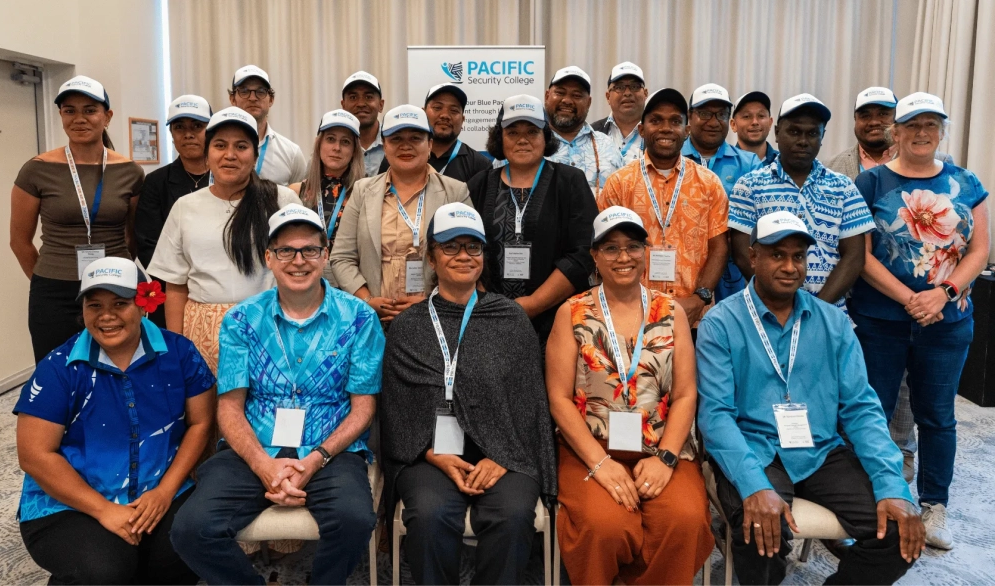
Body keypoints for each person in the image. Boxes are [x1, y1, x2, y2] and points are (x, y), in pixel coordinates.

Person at [696, 212, 925, 586]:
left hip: (821, 450)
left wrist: (893, 487)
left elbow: (862, 410)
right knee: (760, 534)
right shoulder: (721, 323)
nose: (790, 267)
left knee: (900, 532)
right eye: (777, 255)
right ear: (753, 258)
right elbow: (717, 417)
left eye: (798, 256)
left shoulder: (833, 323)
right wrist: (754, 485)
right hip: (755, 450)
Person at [170, 205, 384, 585]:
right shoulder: (241, 320)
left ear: (326, 254)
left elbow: (363, 407)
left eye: (309, 250)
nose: (298, 261)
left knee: (355, 520)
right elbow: (230, 407)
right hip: (256, 446)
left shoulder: (360, 318)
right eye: (286, 250)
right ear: (269, 257)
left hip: (330, 451)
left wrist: (316, 459)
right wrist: (263, 465)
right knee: (190, 529)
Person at [380, 204, 556, 585]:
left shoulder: (511, 319)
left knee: (511, 516)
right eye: (450, 247)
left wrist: (503, 457)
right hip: (428, 451)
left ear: (484, 255)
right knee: (428, 515)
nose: (463, 256)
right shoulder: (408, 327)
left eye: (472, 247)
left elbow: (531, 406)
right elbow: (395, 408)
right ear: (431, 257)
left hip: (504, 452)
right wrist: (433, 454)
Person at [15, 256, 215, 585]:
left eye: (120, 303)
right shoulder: (59, 367)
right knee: (106, 569)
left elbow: (200, 423)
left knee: (188, 544)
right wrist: (103, 510)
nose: (106, 316)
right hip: (71, 503)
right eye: (94, 305)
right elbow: (34, 454)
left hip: (159, 490)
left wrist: (165, 492)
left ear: (143, 304)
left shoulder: (180, 353)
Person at [849, 92, 990, 550]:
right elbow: (860, 254)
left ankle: (934, 505)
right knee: (874, 412)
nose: (922, 133)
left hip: (946, 322)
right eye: (913, 125)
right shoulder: (870, 183)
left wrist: (944, 294)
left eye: (931, 124)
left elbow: (979, 249)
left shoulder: (965, 182)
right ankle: (873, 498)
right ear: (897, 131)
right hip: (881, 318)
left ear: (941, 130)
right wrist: (911, 297)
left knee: (937, 416)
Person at [546, 207, 713, 585]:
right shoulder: (571, 313)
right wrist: (600, 464)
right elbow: (557, 398)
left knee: (682, 521)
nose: (624, 257)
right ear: (594, 255)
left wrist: (667, 459)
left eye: (633, 246)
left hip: (661, 445)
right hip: (591, 445)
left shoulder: (672, 312)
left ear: (645, 251)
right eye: (611, 248)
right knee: (603, 525)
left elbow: (686, 393)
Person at [828, 87, 950, 482]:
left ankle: (902, 452)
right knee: (867, 390)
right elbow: (854, 250)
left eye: (883, 114)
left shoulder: (949, 172)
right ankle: (862, 470)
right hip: (866, 300)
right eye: (866, 114)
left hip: (933, 306)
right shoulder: (839, 168)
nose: (874, 122)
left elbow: (966, 243)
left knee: (916, 398)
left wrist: (943, 292)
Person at [147, 107, 302, 372]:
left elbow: (301, 269)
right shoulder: (185, 207)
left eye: (241, 146)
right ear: (207, 155)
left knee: (266, 409)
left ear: (254, 156)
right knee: (204, 413)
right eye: (220, 145)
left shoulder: (281, 200)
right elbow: (175, 286)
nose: (230, 155)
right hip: (203, 333)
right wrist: (176, 349)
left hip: (270, 326)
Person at [11, 76, 144, 363]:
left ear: (107, 116)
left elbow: (132, 237)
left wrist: (115, 267)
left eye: (89, 110)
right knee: (56, 369)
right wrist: (48, 278)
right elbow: (19, 241)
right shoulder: (36, 170)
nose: (79, 118)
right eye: (69, 110)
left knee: (117, 365)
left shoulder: (130, 171)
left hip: (115, 287)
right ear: (61, 115)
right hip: (55, 291)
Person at [468, 95, 597, 343]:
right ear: (500, 138)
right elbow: (468, 249)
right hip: (487, 320)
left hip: (557, 321)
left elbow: (583, 253)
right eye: (513, 132)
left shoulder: (570, 181)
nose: (523, 139)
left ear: (545, 137)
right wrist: (488, 304)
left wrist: (533, 304)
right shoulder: (479, 184)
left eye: (532, 131)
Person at [729, 94, 874, 313]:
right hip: (765, 313)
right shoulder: (749, 186)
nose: (803, 141)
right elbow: (742, 254)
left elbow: (854, 256)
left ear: (822, 136)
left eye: (813, 133)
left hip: (829, 316)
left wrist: (816, 310)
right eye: (794, 131)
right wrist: (779, 302)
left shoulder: (843, 187)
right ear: (777, 133)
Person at [598, 88, 729, 327]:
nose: (666, 128)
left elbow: (719, 246)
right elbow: (605, 250)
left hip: (694, 316)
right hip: (633, 315)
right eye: (656, 120)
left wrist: (700, 298)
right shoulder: (619, 184)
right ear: (641, 130)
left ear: (687, 131)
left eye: (675, 121)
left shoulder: (709, 184)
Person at [330, 105, 471, 325]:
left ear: (430, 144)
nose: (406, 146)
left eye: (415, 138)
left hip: (435, 319)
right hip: (373, 320)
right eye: (396, 139)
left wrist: (431, 301)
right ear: (384, 146)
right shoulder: (362, 191)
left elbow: (466, 260)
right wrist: (367, 300)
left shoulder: (455, 192)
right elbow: (342, 257)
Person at [135, 95, 212, 328]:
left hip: (218, 291)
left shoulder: (230, 178)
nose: (188, 134)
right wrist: (184, 279)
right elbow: (148, 244)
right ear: (171, 134)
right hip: (170, 291)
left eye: (197, 127)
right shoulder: (155, 182)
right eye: (179, 128)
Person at [683, 83, 762, 303]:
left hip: (733, 276)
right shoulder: (672, 158)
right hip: (682, 274)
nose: (713, 121)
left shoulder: (749, 164)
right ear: (690, 117)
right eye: (705, 113)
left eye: (721, 114)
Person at [290, 109, 366, 288]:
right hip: (304, 283)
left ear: (355, 150)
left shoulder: (365, 194)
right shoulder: (295, 193)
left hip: (352, 288)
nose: (337, 148)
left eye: (345, 142)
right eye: (330, 139)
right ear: (319, 144)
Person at [378, 83, 491, 182]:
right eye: (437, 107)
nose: (445, 115)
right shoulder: (401, 156)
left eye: (454, 110)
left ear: (462, 120)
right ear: (423, 113)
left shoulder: (480, 165)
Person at [543, 66, 624, 196]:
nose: (567, 100)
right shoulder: (530, 145)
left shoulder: (608, 146)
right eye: (560, 93)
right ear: (547, 96)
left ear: (589, 102)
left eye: (576, 95)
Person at [228, 64, 307, 185]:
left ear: (271, 100)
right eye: (244, 91)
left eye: (260, 91)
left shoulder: (291, 153)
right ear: (232, 99)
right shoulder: (219, 150)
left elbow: (301, 200)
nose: (253, 98)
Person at [591, 62, 648, 166]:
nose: (627, 93)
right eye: (619, 87)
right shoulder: (592, 133)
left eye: (635, 86)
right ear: (608, 97)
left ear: (645, 94)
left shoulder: (656, 132)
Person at [341, 71, 386, 176]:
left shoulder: (395, 142)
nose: (361, 104)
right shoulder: (332, 147)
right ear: (343, 105)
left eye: (369, 97)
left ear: (381, 105)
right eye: (353, 97)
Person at [730, 91, 777, 166]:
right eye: (746, 116)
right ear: (733, 125)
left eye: (761, 116)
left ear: (770, 123)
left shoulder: (784, 163)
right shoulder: (724, 164)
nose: (755, 122)